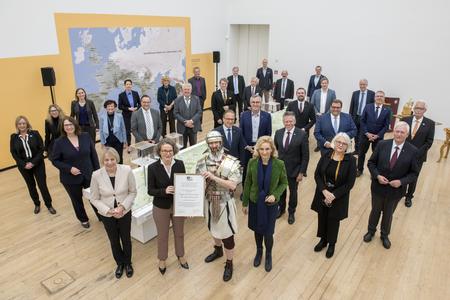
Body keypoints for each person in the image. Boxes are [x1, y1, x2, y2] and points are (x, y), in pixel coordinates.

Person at [363, 121, 419, 249]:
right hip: (378, 187)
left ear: (407, 134)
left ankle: (384, 235)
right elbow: (371, 163)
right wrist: (377, 176)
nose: (399, 134)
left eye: (402, 132)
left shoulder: (413, 151)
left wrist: (401, 182)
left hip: (396, 191)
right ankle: (371, 231)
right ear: (393, 131)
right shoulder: (382, 144)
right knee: (375, 211)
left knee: (388, 214)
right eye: (397, 131)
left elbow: (414, 174)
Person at [196, 131, 241, 282]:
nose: (214, 146)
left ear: (221, 143)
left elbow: (233, 185)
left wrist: (213, 177)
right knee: (213, 228)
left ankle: (229, 262)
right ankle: (218, 251)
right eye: (211, 143)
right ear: (208, 144)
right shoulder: (202, 162)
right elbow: (199, 186)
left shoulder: (232, 161)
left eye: (216, 142)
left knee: (227, 235)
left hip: (225, 202)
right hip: (210, 200)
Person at [242, 136, 288, 272]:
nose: (264, 152)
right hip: (255, 202)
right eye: (261, 149)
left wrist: (275, 195)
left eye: (267, 149)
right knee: (257, 230)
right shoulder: (252, 162)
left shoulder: (279, 164)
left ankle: (268, 255)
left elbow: (284, 183)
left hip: (270, 205)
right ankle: (259, 252)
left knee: (268, 232)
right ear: (257, 150)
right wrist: (245, 203)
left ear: (272, 149)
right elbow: (247, 183)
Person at [89, 148, 136, 279]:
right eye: (106, 160)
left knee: (126, 239)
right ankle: (119, 263)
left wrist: (123, 207)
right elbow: (94, 198)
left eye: (112, 159)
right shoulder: (96, 175)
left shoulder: (126, 170)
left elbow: (133, 192)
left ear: (117, 159)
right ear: (102, 161)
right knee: (114, 240)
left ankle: (128, 263)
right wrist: (108, 211)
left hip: (124, 212)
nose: (109, 162)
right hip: (107, 215)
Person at [311, 133, 356, 258]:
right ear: (334, 143)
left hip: (338, 196)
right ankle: (323, 240)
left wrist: (333, 195)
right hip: (322, 193)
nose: (340, 145)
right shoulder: (326, 154)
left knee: (333, 220)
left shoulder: (351, 160)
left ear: (348, 146)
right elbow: (317, 175)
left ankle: (331, 244)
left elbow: (350, 183)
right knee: (322, 217)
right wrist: (324, 191)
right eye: (338, 142)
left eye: (344, 143)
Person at [148, 139, 189, 275]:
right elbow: (150, 190)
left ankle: (180, 255)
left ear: (174, 151)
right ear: (159, 152)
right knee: (162, 235)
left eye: (170, 150)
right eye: (164, 151)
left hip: (178, 206)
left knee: (180, 233)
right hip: (161, 207)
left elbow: (184, 185)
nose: (167, 153)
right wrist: (163, 191)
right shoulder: (152, 168)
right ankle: (162, 259)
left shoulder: (180, 164)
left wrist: (188, 206)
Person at [52, 116, 100, 228]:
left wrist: (97, 172)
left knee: (94, 196)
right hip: (70, 178)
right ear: (63, 128)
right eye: (66, 125)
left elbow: (94, 155)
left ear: (75, 125)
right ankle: (83, 219)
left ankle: (101, 215)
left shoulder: (85, 136)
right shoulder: (59, 142)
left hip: (89, 174)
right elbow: (54, 160)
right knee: (76, 200)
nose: (69, 127)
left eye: (70, 124)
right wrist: (69, 169)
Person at [10, 116, 56, 214]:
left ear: (27, 124)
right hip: (24, 167)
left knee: (42, 185)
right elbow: (13, 153)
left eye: (24, 123)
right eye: (20, 124)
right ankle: (37, 204)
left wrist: (33, 162)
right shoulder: (13, 137)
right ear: (17, 125)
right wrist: (24, 164)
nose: (22, 125)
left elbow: (41, 149)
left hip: (38, 164)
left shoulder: (34, 134)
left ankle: (49, 205)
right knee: (31, 186)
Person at [274, 111, 309, 224]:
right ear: (283, 122)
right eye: (286, 121)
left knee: (293, 193)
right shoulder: (278, 133)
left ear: (294, 121)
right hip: (280, 171)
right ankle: (281, 209)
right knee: (281, 192)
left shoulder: (302, 134)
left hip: (295, 171)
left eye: (290, 121)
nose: (288, 123)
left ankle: (291, 212)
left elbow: (305, 155)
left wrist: (301, 172)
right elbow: (277, 148)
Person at [403, 100, 435, 207]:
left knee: (413, 176)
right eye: (416, 108)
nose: (417, 110)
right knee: (401, 173)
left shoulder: (430, 123)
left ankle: (409, 196)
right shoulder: (405, 120)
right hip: (403, 153)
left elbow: (429, 142)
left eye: (420, 108)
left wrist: (417, 153)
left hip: (418, 156)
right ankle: (400, 193)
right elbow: (399, 136)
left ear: (425, 110)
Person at [240, 95, 272, 189]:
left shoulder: (267, 116)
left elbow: (268, 133)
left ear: (261, 103)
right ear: (250, 103)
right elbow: (240, 133)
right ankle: (245, 190)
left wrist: (259, 147)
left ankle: (258, 189)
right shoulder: (243, 115)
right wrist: (246, 146)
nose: (255, 104)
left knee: (260, 169)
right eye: (253, 102)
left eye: (257, 102)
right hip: (247, 148)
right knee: (246, 170)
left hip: (261, 148)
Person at [357, 91, 391, 177]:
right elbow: (362, 121)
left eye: (381, 96)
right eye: (377, 96)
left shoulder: (387, 110)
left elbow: (386, 126)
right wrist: (366, 133)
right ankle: (359, 170)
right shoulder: (368, 107)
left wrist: (377, 135)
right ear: (374, 97)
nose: (379, 98)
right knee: (361, 153)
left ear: (384, 98)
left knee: (376, 156)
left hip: (378, 137)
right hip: (365, 135)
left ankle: (374, 173)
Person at [349, 79, 375, 153]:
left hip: (366, 118)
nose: (362, 86)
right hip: (356, 117)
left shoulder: (372, 94)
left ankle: (361, 150)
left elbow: (373, 107)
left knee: (363, 135)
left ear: (367, 85)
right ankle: (356, 150)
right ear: (359, 85)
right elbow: (352, 106)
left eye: (364, 84)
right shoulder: (355, 93)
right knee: (356, 134)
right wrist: (350, 117)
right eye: (361, 84)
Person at [310, 77, 336, 152]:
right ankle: (319, 145)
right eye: (323, 83)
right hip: (317, 115)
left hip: (328, 115)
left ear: (328, 83)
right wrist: (317, 112)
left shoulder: (332, 92)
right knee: (318, 131)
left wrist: (327, 113)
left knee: (326, 130)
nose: (324, 84)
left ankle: (326, 144)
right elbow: (312, 104)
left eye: (325, 83)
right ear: (320, 84)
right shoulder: (316, 92)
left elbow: (333, 104)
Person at [173, 83, 202, 148]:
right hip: (182, 127)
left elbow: (199, 112)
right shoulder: (177, 100)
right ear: (182, 90)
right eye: (185, 89)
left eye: (188, 89)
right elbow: (175, 113)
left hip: (193, 126)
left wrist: (191, 121)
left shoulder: (196, 99)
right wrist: (185, 122)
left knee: (194, 146)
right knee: (182, 147)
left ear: (191, 90)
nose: (186, 91)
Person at [118, 79, 141, 152]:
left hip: (136, 115)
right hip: (126, 115)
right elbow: (120, 106)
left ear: (131, 85)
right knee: (127, 132)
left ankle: (139, 144)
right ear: (124, 86)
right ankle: (129, 146)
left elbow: (140, 103)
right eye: (127, 84)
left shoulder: (135, 93)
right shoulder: (121, 95)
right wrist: (128, 108)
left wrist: (136, 108)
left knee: (138, 130)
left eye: (130, 84)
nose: (128, 85)